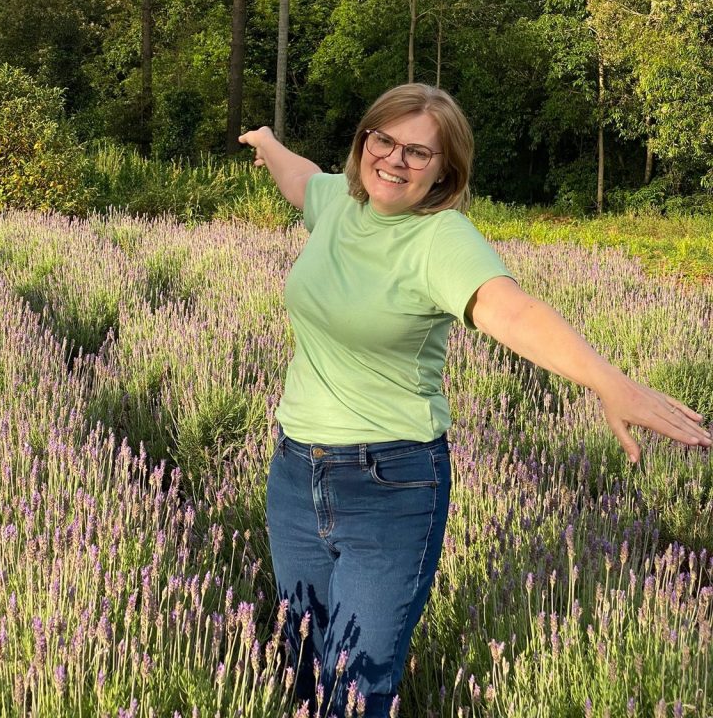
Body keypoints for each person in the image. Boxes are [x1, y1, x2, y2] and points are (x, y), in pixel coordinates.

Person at [239, 83, 711, 718]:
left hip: (390, 485)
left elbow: (513, 311)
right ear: (364, 140)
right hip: (295, 475)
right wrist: (266, 142)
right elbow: (302, 178)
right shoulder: (338, 204)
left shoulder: (440, 239)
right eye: (383, 139)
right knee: (303, 663)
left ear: (444, 173)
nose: (393, 160)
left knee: (357, 685)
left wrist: (609, 381)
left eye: (418, 152)